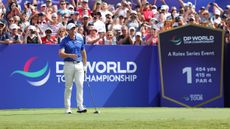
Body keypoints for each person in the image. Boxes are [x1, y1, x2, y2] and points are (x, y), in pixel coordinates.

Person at [59, 23, 87, 114]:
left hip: (79, 65)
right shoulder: (64, 41)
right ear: (68, 30)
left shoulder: (80, 38)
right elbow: (60, 54)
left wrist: (85, 65)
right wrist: (70, 55)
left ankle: (80, 106)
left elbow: (83, 52)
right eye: (72, 29)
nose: (74, 30)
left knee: (80, 85)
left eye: (75, 28)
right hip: (68, 64)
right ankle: (68, 108)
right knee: (68, 87)